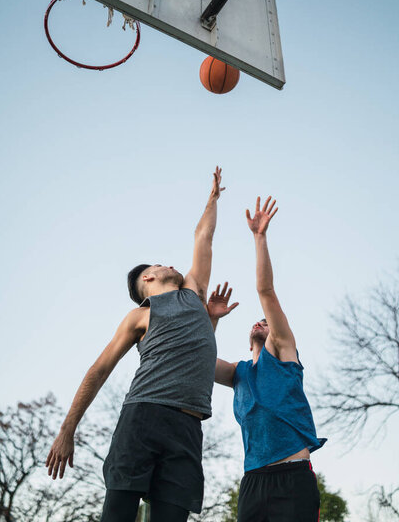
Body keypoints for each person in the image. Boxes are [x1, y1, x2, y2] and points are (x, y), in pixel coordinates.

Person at [46, 167, 225, 522]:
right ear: (149, 277)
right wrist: (67, 430)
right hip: (143, 417)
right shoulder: (139, 316)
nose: (169, 263)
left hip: (188, 427)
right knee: (118, 516)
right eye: (160, 263)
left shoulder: (194, 295)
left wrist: (212, 200)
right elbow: (98, 371)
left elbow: (203, 237)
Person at [209, 195, 326, 522]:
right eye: (255, 321)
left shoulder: (285, 354)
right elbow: (196, 360)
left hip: (294, 477)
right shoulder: (238, 373)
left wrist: (259, 238)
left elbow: (266, 292)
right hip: (253, 481)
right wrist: (212, 320)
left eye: (266, 321)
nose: (260, 321)